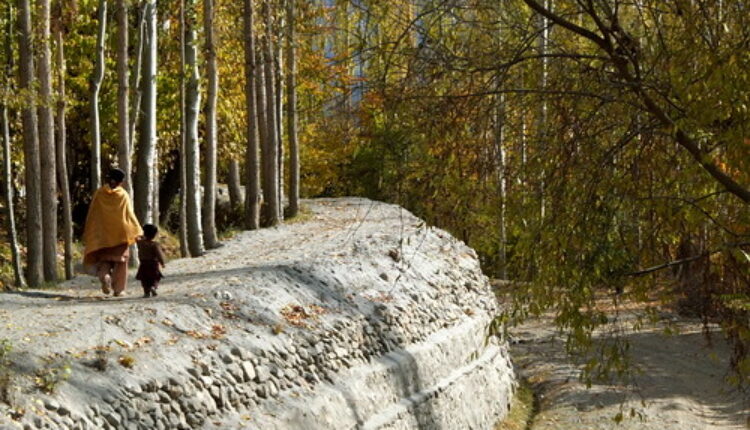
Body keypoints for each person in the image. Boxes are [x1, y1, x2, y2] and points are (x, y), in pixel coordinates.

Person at [82, 168, 142, 297]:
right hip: (120, 235)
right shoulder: (123, 195)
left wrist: (91, 232)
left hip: (103, 237)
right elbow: (129, 215)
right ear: (120, 182)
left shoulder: (99, 194)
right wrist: (137, 230)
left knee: (105, 261)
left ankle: (105, 277)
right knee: (121, 262)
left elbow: (93, 214)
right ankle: (119, 290)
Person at [135, 224, 166, 298]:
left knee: (144, 279)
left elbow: (136, 238)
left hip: (143, 263)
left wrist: (141, 236)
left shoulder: (141, 243)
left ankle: (146, 292)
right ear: (155, 234)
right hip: (153, 264)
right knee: (155, 277)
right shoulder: (155, 244)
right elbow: (159, 254)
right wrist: (162, 262)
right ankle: (153, 287)